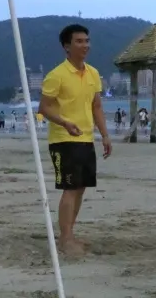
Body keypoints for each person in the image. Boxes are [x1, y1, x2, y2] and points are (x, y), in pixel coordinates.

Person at [37, 24, 112, 257]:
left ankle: (69, 234)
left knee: (80, 188)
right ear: (67, 46)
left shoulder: (92, 73)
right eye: (79, 41)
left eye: (87, 41)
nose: (85, 45)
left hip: (86, 138)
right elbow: (44, 108)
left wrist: (105, 134)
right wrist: (65, 123)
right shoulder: (56, 75)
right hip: (63, 140)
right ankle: (65, 238)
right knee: (70, 188)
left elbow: (96, 106)